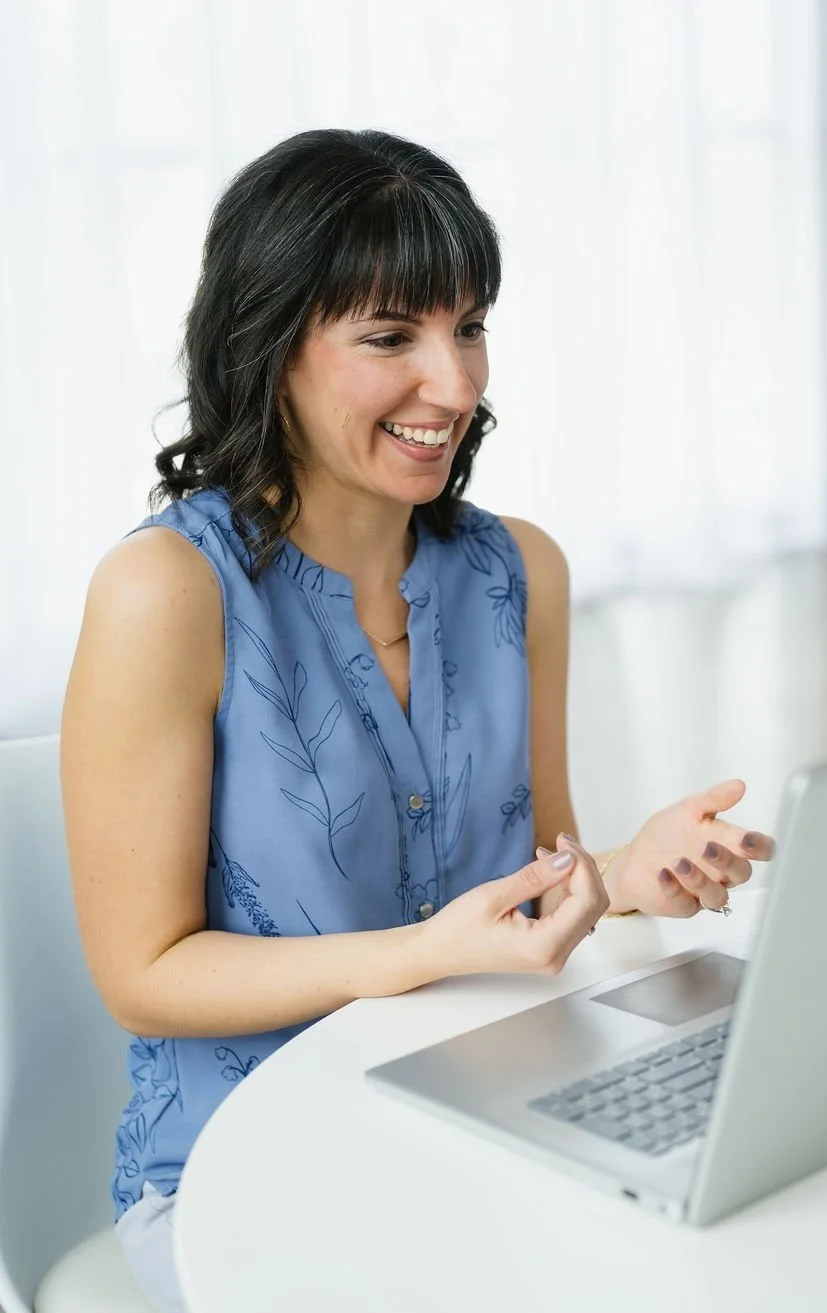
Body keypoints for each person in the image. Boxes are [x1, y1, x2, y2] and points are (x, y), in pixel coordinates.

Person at [60, 128, 775, 1312]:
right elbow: (144, 974)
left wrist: (626, 874)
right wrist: (422, 954)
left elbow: (527, 888)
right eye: (391, 337)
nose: (453, 383)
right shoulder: (167, 594)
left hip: (483, 1117)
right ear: (268, 348)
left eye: (469, 325)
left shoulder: (518, 571)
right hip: (240, 1171)